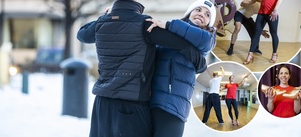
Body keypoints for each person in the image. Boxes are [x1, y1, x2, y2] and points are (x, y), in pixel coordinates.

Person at [76, 0, 206, 137]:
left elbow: (81, 34)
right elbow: (183, 45)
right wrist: (201, 64)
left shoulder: (102, 23)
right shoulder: (145, 25)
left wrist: (106, 16)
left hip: (101, 105)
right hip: (131, 106)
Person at [146, 0, 216, 136]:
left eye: (207, 14)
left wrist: (168, 25)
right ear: (190, 12)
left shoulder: (207, 37)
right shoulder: (171, 30)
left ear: (209, 22)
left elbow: (202, 39)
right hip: (151, 101)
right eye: (198, 10)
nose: (202, 14)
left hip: (173, 105)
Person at [243, 0, 283, 65]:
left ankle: (274, 54)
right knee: (256, 34)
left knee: (274, 34)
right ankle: (250, 55)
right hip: (261, 13)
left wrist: (275, 9)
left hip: (272, 13)